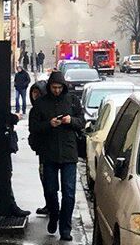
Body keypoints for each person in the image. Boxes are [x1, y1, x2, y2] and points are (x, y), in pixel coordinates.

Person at [29, 71, 84, 242]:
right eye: (54, 87)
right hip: (49, 153)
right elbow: (34, 127)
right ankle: (54, 214)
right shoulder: (41, 104)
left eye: (60, 88)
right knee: (51, 190)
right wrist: (49, 124)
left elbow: (82, 121)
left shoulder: (73, 101)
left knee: (69, 193)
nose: (57, 91)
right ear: (49, 87)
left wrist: (71, 121)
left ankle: (65, 228)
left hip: (69, 153)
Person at [28, 80, 50, 216]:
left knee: (48, 178)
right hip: (42, 150)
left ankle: (52, 204)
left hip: (48, 150)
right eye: (33, 93)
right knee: (44, 177)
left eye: (38, 92)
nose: (35, 95)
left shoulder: (46, 109)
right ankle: (49, 203)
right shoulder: (34, 110)